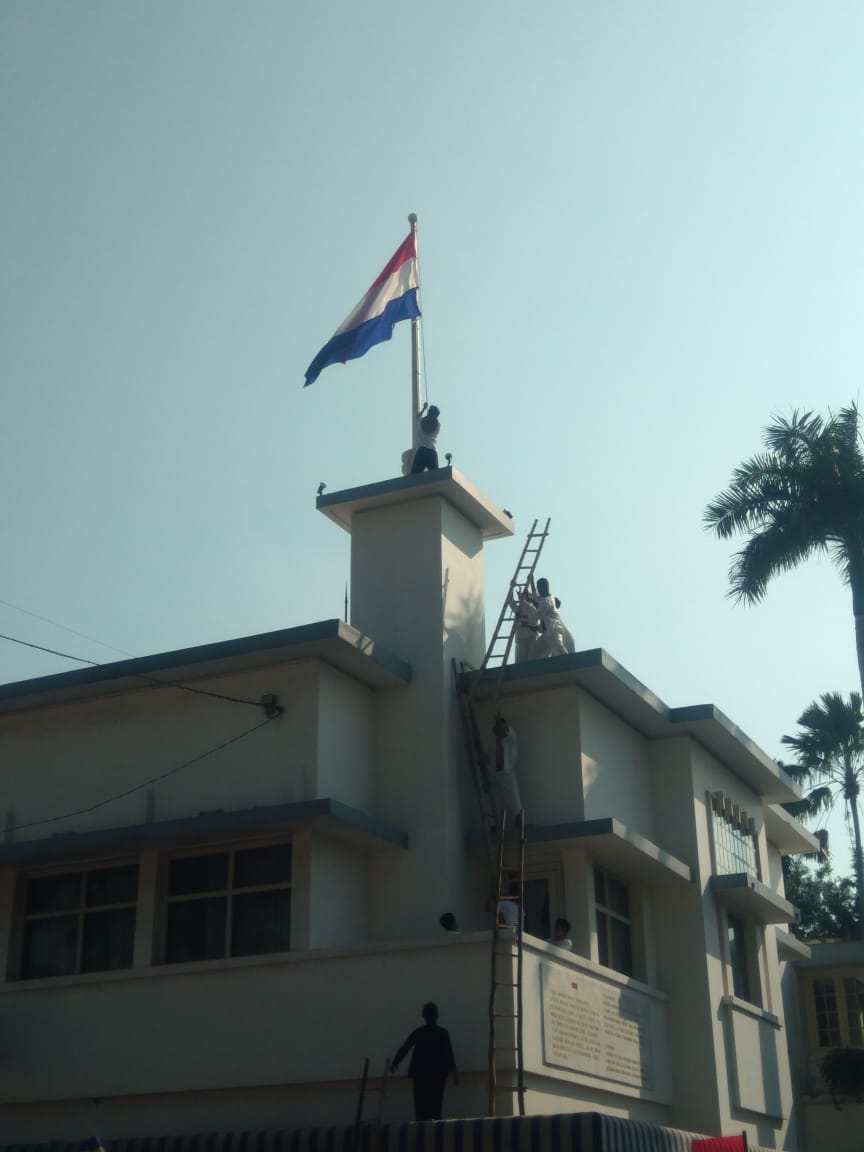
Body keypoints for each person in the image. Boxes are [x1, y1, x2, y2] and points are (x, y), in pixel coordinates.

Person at [391, 1001, 459, 1121]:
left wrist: (395, 1062)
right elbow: (449, 1054)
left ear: (424, 1016)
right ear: (437, 1016)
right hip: (437, 1075)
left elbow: (405, 1048)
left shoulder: (419, 1033)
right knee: (436, 1107)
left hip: (421, 1075)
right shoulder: (442, 1033)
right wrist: (455, 1073)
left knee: (421, 1109)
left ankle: (422, 1134)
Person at [487, 714, 521, 827]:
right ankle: (494, 826)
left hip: (507, 772)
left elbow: (507, 731)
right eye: (497, 728)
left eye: (501, 727)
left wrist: (500, 723)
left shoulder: (510, 737)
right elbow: (490, 756)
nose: (499, 729)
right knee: (495, 802)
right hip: (494, 774)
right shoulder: (492, 740)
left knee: (513, 798)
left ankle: (519, 821)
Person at [534, 578, 571, 657]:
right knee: (536, 649)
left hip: (555, 632)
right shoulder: (543, 600)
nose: (538, 591)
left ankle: (568, 659)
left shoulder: (549, 600)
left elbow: (540, 606)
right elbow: (536, 599)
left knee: (558, 644)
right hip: (547, 634)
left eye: (539, 588)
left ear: (545, 587)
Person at [509, 584, 542, 662]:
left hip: (532, 638)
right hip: (521, 639)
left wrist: (522, 600)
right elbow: (511, 602)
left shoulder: (533, 608)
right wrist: (511, 588)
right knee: (519, 663)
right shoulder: (519, 609)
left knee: (532, 662)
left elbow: (532, 613)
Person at [410, 402, 441, 473]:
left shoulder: (421, 422)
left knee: (414, 477)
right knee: (436, 476)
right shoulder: (438, 425)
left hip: (421, 451)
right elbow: (432, 422)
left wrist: (424, 408)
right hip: (432, 451)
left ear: (429, 412)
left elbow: (417, 417)